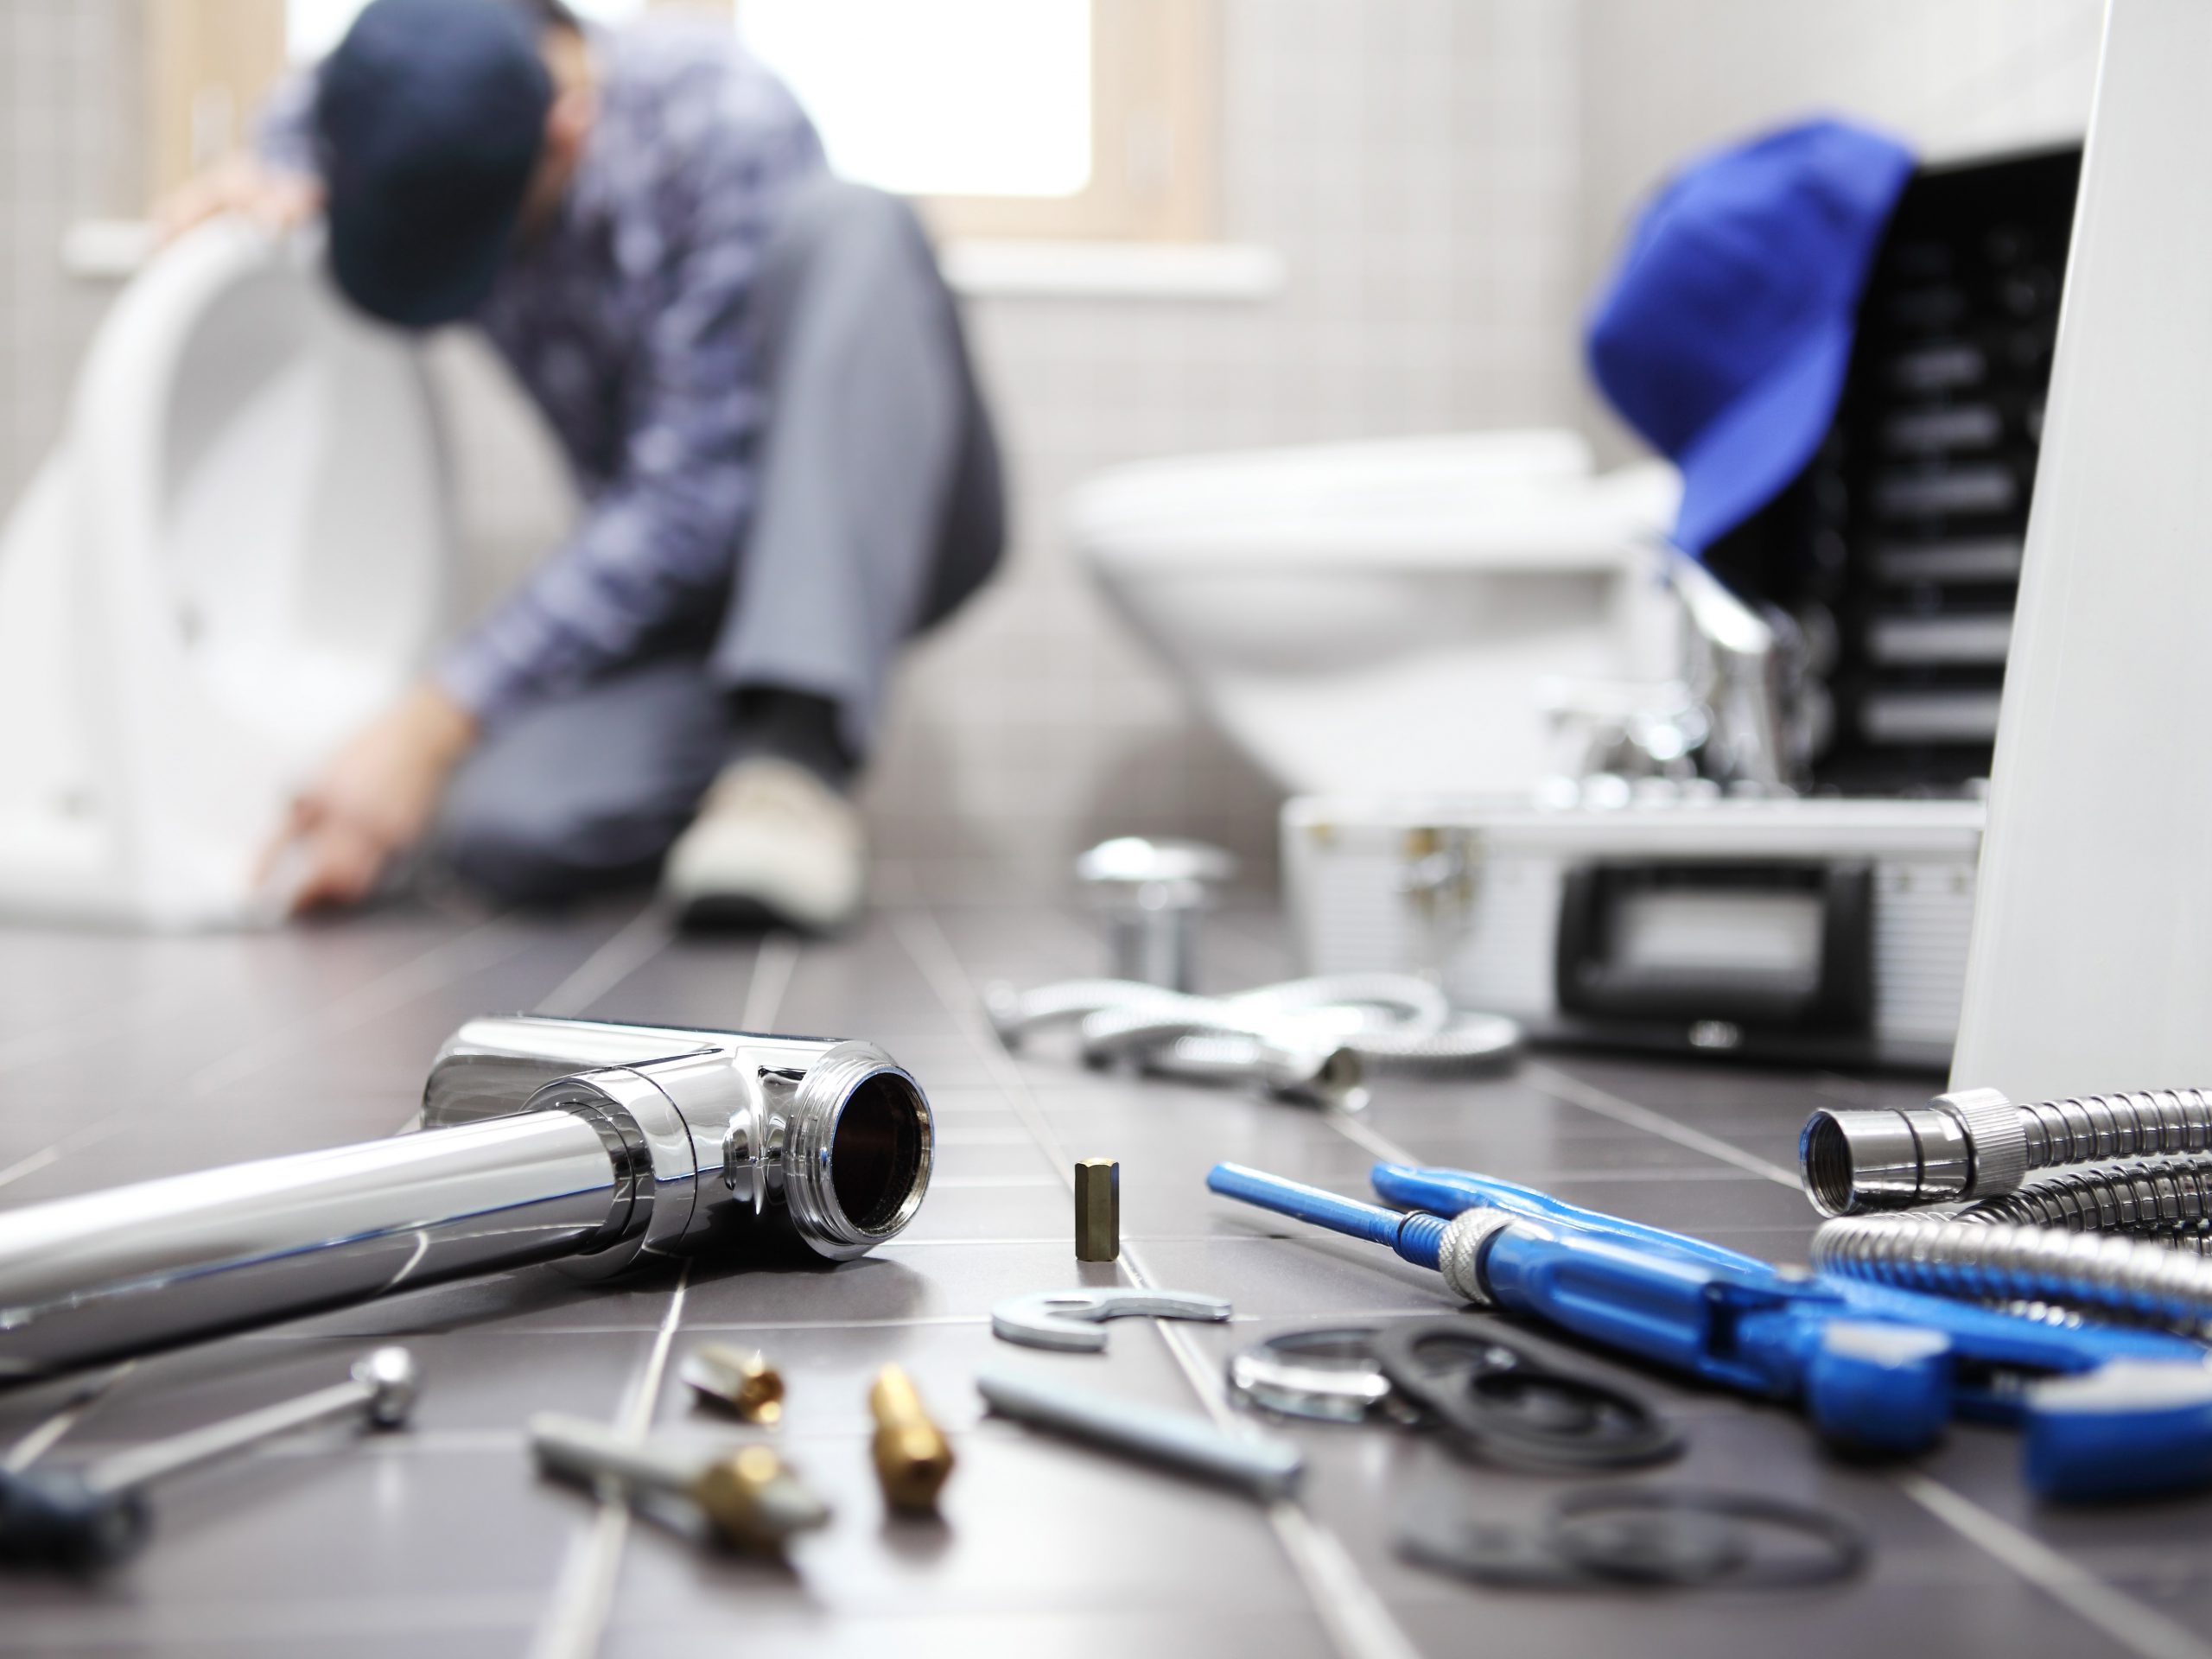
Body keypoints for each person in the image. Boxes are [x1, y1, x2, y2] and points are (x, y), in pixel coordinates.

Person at [167, 0, 1003, 931]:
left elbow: (694, 497)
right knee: (505, 827)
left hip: (877, 508)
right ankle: (739, 772)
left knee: (854, 225)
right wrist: (267, 165)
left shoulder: (717, 118)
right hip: (687, 603)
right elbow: (314, 101)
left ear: (567, 129)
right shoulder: (404, 97)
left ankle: (793, 762)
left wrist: (429, 722)